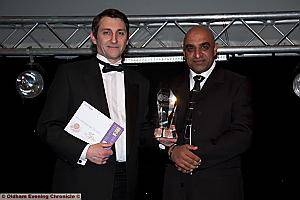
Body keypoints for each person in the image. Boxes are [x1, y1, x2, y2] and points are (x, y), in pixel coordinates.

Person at [36, 8, 152, 200]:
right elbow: (47, 127)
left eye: (120, 33)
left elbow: (141, 130)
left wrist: (161, 140)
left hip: (127, 180)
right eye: (106, 32)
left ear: (127, 38)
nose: (114, 39)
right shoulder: (70, 74)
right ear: (94, 37)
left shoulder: (140, 81)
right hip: (82, 178)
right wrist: (85, 150)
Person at [156, 25, 254, 200]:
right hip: (175, 189)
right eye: (190, 48)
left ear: (215, 49)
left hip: (220, 188)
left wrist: (190, 155)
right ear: (183, 52)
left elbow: (242, 135)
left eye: (204, 47)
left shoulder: (236, 84)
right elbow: (151, 132)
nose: (198, 55)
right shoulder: (168, 85)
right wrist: (171, 151)